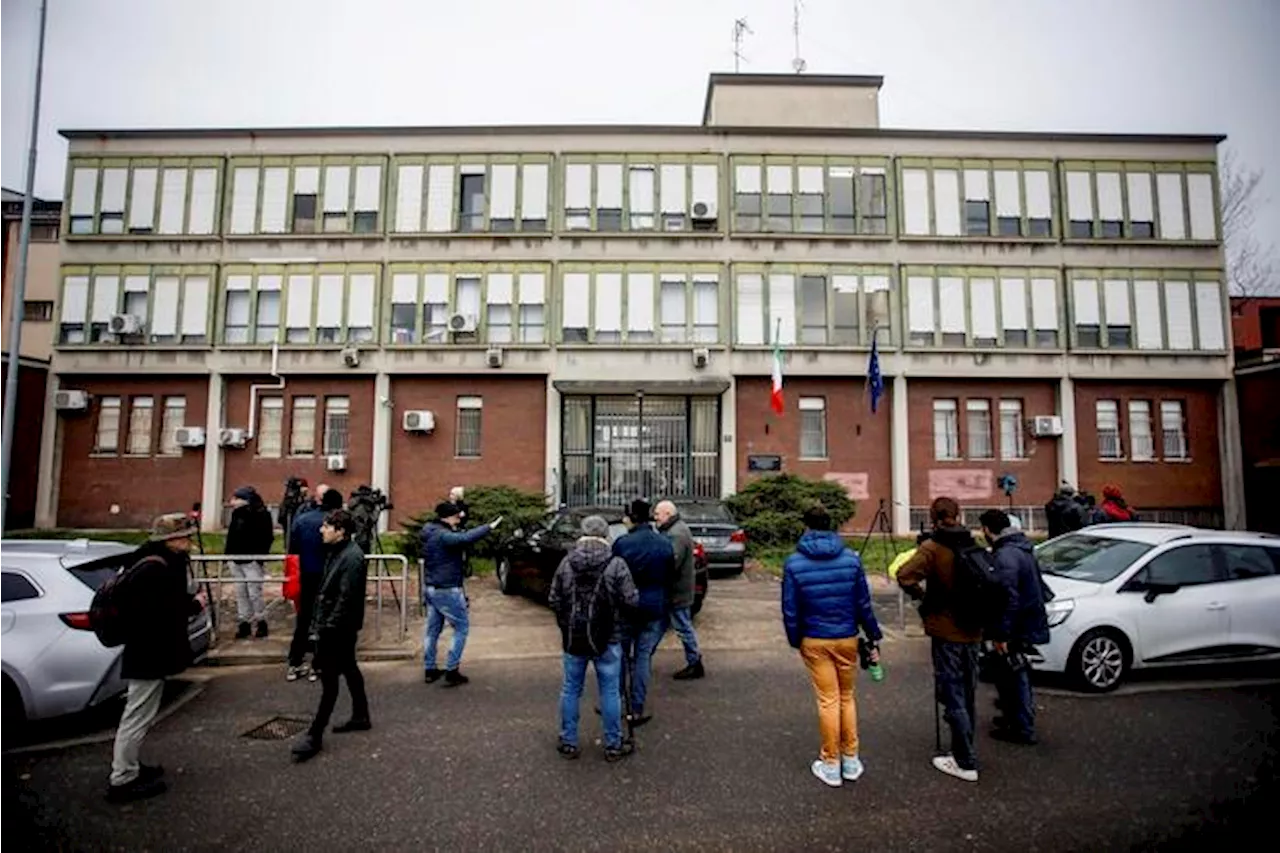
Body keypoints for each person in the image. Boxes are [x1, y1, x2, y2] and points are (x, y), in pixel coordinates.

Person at [781, 505, 883, 787]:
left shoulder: (794, 563)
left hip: (814, 638)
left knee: (828, 699)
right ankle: (851, 759)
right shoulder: (851, 559)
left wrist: (795, 639)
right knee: (847, 697)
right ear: (832, 526)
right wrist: (873, 634)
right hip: (847, 637)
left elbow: (791, 608)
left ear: (807, 527)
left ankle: (830, 763)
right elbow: (863, 602)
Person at [107, 514, 203, 804]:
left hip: (150, 651)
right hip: (148, 652)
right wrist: (193, 605)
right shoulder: (154, 570)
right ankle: (122, 778)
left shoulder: (154, 562)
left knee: (141, 713)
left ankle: (131, 766)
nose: (189, 541)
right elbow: (162, 610)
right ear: (170, 540)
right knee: (136, 716)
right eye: (185, 536)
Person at [896, 496, 984, 783]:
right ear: (959, 515)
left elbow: (904, 575)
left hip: (946, 629)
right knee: (968, 690)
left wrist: (925, 600)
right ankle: (966, 745)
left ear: (933, 517)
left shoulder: (933, 548)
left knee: (951, 690)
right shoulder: (973, 544)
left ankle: (965, 759)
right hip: (973, 627)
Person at [549, 515, 639, 762]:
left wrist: (566, 623)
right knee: (610, 692)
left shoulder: (567, 562)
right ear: (605, 534)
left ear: (582, 533)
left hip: (573, 637)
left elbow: (554, 599)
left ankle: (568, 741)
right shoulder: (616, 563)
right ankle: (613, 744)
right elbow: (631, 601)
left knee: (570, 689)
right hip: (609, 637)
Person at [292, 509, 372, 763]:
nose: (321, 530)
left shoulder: (351, 558)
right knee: (349, 668)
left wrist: (325, 629)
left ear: (341, 531)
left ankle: (315, 734)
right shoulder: (338, 552)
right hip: (338, 626)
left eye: (327, 527)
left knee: (330, 681)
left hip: (337, 629)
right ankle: (361, 715)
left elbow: (346, 598)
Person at [979, 509, 1051, 746]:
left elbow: (1008, 598)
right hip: (1025, 621)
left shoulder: (1006, 556)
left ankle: (1022, 727)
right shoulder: (1021, 549)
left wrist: (1002, 634)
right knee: (1011, 673)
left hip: (1016, 626)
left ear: (989, 530)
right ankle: (1014, 719)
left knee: (1015, 674)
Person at [421, 501, 500, 686]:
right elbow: (465, 539)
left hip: (432, 587)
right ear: (447, 517)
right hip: (447, 588)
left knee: (432, 630)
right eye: (456, 515)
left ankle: (430, 669)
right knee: (461, 628)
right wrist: (488, 527)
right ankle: (452, 670)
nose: (459, 518)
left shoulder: (430, 531)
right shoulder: (444, 536)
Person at [611, 499, 674, 726]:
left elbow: (614, 575)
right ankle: (637, 707)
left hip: (627, 606)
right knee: (642, 657)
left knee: (619, 655)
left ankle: (615, 703)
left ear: (631, 518)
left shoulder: (622, 543)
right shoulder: (664, 543)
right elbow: (670, 574)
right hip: (653, 606)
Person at [286, 486, 343, 682]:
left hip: (306, 574)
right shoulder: (336, 521)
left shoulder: (302, 519)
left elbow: (293, 548)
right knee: (325, 620)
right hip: (329, 576)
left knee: (304, 619)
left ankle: (295, 661)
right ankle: (317, 664)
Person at [653, 500, 704, 680]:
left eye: (658, 514)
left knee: (682, 626)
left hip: (676, 592)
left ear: (667, 514)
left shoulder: (676, 534)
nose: (655, 517)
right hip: (675, 590)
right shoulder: (676, 530)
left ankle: (695, 662)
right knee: (659, 626)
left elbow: (671, 562)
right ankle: (643, 657)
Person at [225, 485, 276, 639]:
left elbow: (267, 537)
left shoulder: (261, 514)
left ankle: (261, 621)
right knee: (241, 592)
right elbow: (232, 535)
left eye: (236, 498)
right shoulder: (236, 514)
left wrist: (259, 556)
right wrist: (229, 554)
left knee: (254, 593)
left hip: (252, 560)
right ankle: (244, 622)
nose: (232, 502)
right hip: (236, 559)